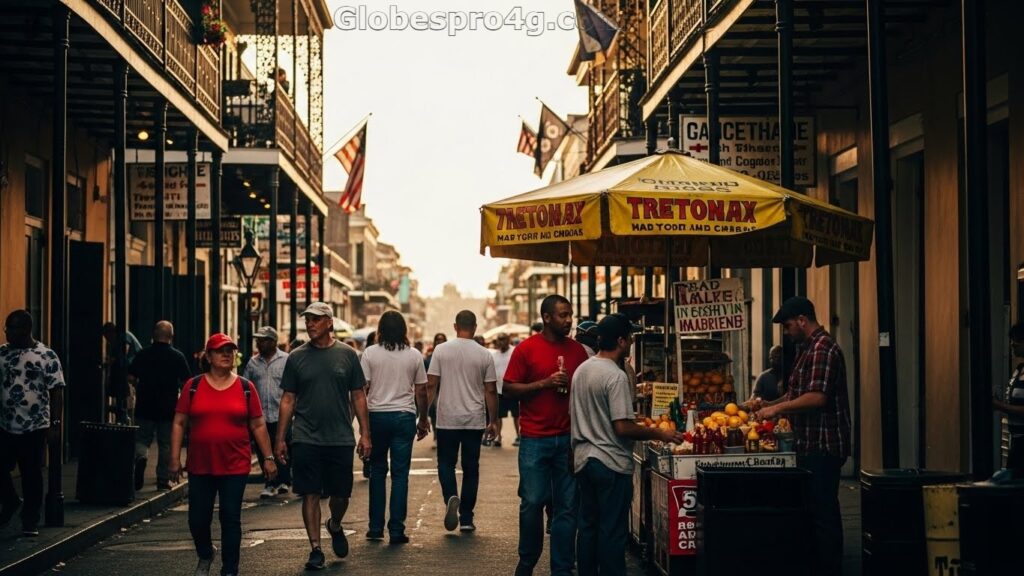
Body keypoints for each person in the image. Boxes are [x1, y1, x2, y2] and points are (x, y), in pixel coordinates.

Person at [572, 314, 684, 575]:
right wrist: (660, 433)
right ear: (621, 341)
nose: (633, 342)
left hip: (584, 460)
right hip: (609, 463)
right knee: (612, 531)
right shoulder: (616, 376)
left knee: (588, 527)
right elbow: (622, 427)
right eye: (630, 337)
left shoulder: (582, 370)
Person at [753, 297, 851, 576]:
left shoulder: (823, 348)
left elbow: (816, 397)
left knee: (824, 514)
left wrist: (778, 409)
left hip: (824, 444)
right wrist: (769, 405)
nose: (786, 332)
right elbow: (796, 394)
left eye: (787, 326)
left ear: (801, 320)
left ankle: (831, 569)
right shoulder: (807, 349)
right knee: (812, 512)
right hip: (808, 443)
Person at [168, 333, 277, 576]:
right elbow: (179, 422)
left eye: (230, 350)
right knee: (197, 519)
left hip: (235, 465)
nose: (227, 354)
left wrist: (268, 458)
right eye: (220, 350)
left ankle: (230, 570)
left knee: (230, 518)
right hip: (200, 465)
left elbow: (258, 425)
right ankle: (206, 553)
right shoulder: (193, 386)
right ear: (208, 356)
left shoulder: (245, 388)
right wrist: (174, 458)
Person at [275, 302, 370, 571]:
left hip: (340, 437)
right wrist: (280, 438)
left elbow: (359, 396)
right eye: (307, 320)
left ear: (329, 322)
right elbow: (288, 399)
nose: (310, 324)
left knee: (340, 494)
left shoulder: (348, 355)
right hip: (306, 437)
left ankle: (335, 524)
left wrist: (365, 434)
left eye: (315, 319)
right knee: (310, 493)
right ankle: (315, 548)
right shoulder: (296, 357)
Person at [502, 295, 590, 576]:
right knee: (532, 502)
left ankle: (562, 568)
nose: (569, 320)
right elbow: (509, 389)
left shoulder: (578, 351)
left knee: (566, 507)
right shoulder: (526, 350)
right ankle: (527, 560)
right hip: (534, 439)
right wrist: (544, 383)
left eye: (570, 315)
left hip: (568, 438)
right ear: (547, 317)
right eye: (563, 315)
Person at [425, 310, 498, 533]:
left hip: (447, 419)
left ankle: (451, 496)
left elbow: (431, 385)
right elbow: (491, 390)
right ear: (475, 327)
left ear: (455, 326)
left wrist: (422, 416)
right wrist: (493, 421)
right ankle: (466, 517)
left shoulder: (441, 350)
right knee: (471, 468)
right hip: (474, 419)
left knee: (446, 463)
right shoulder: (484, 354)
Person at [360, 311, 428, 543]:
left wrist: (362, 428)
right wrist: (424, 418)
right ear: (403, 330)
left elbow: (363, 389)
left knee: (377, 472)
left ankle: (375, 528)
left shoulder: (370, 353)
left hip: (377, 416)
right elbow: (421, 390)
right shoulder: (414, 355)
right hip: (403, 416)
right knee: (400, 475)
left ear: (380, 329)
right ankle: (396, 529)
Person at [0, 310, 64, 536]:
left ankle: (30, 519)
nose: (7, 332)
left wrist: (55, 423)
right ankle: (10, 500)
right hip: (5, 423)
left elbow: (56, 389)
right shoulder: (2, 354)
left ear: (26, 330)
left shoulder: (45, 355)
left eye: (12, 327)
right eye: (6, 327)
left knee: (31, 473)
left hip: (34, 425)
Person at [129, 320, 191, 492]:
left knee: (141, 440)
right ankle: (163, 480)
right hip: (168, 408)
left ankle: (141, 457)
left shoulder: (143, 354)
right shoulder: (177, 356)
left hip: (145, 406)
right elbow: (187, 382)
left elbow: (131, 377)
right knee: (166, 444)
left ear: (153, 335)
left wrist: (139, 384)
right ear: (171, 336)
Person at [242, 326, 291, 498]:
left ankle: (283, 480)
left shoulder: (286, 360)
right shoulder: (253, 363)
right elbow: (246, 386)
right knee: (265, 450)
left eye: (262, 340)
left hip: (281, 414)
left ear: (273, 342)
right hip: (260, 416)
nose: (259, 344)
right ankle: (270, 483)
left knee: (283, 447)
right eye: (258, 340)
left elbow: (293, 388)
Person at [993, 322, 1024, 479]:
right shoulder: (1019, 370)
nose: (1013, 344)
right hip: (1016, 441)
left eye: (1017, 340)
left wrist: (1000, 406)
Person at [102, 322, 142, 423]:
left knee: (127, 398)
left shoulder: (124, 337)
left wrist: (112, 361)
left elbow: (124, 357)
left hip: (131, 371)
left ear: (112, 333)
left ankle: (127, 419)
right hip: (128, 370)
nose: (108, 340)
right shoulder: (118, 340)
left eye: (107, 337)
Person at [491, 333, 518, 448]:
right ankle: (498, 437)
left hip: (512, 388)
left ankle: (519, 435)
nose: (501, 342)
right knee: (499, 416)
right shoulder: (494, 355)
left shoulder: (515, 352)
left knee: (517, 415)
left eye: (503, 339)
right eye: (499, 340)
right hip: (499, 390)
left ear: (508, 340)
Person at [424, 332, 447, 446]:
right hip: (433, 391)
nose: (439, 341)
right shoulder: (428, 359)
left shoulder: (449, 357)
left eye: (442, 339)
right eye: (437, 340)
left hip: (447, 389)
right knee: (434, 413)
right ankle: (436, 436)